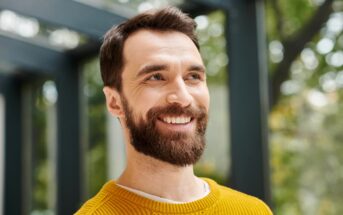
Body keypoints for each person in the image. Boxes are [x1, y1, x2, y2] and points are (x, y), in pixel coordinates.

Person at [75, 6, 273, 215]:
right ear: (115, 102)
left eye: (193, 77)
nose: (183, 97)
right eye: (156, 77)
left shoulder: (253, 211)